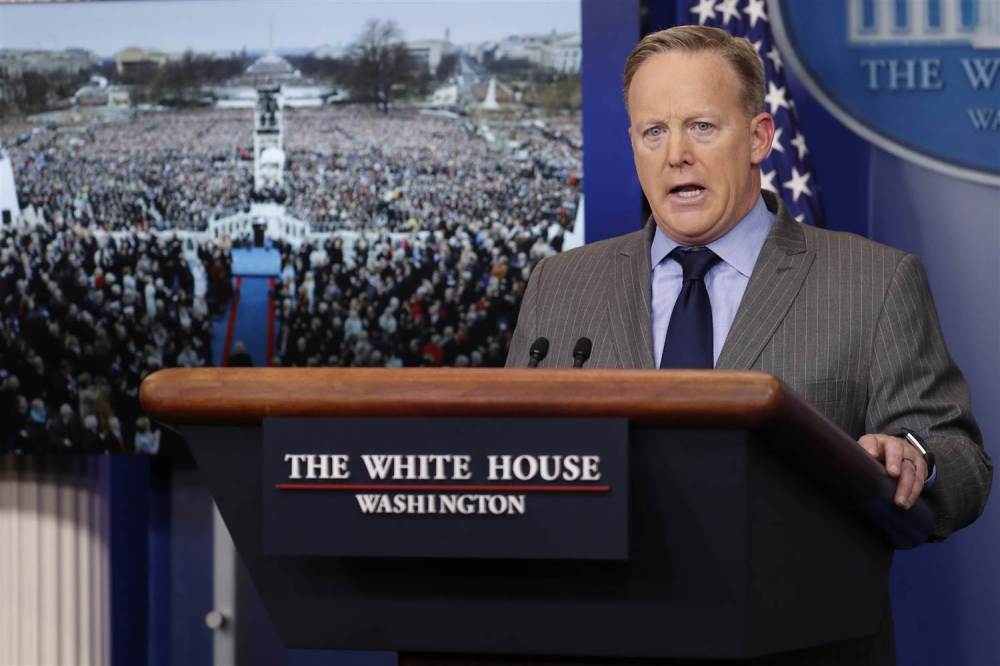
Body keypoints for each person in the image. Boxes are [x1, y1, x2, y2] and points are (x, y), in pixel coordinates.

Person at [505, 25, 991, 664]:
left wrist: (914, 456)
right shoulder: (561, 283)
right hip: (600, 643)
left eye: (701, 127)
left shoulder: (873, 282)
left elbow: (961, 460)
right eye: (654, 132)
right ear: (633, 146)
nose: (676, 155)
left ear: (760, 138)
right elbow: (510, 464)